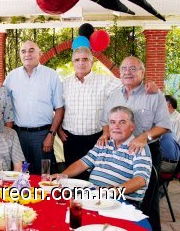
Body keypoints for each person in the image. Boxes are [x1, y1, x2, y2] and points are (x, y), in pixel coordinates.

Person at [59, 47, 157, 179]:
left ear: (92, 62)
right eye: (77, 60)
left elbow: (129, 85)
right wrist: (59, 129)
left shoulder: (105, 81)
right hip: (70, 139)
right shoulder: (64, 84)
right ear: (73, 62)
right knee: (71, 176)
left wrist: (149, 85)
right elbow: (59, 108)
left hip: (96, 138)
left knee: (95, 177)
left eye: (85, 59)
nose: (81, 63)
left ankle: (91, 199)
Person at [99, 56, 170, 231]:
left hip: (147, 152)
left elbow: (164, 126)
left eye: (133, 68)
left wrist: (144, 137)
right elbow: (105, 122)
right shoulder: (114, 95)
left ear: (142, 72)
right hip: (119, 154)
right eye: (124, 69)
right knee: (120, 198)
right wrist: (105, 134)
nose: (127, 72)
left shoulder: (154, 95)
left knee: (147, 203)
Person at [61, 106, 152, 206]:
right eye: (112, 122)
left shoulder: (139, 147)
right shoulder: (104, 143)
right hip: (94, 197)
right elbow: (83, 163)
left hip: (121, 201)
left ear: (132, 126)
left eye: (122, 122)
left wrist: (109, 192)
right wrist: (61, 176)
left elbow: (140, 180)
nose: (116, 126)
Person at [4, 40, 64, 174]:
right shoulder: (11, 77)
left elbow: (59, 108)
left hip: (43, 136)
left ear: (39, 53)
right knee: (20, 176)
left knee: (44, 176)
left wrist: (51, 134)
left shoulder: (51, 75)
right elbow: (4, 106)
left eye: (31, 50)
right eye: (23, 51)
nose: (27, 54)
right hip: (18, 135)